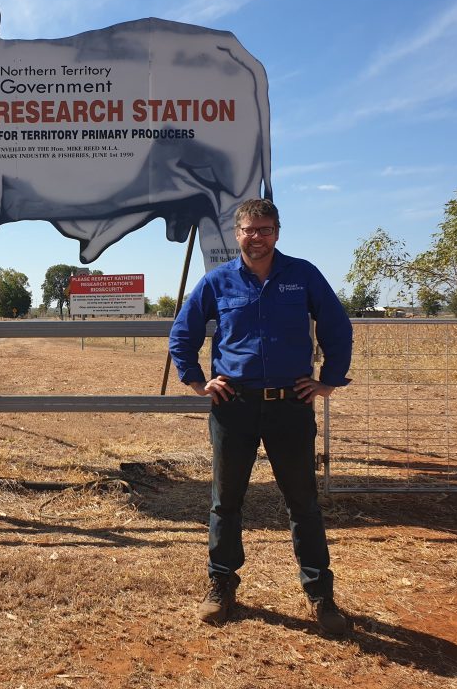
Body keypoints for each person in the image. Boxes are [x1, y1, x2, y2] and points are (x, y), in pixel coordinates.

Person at [168, 198, 352, 635]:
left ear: (277, 232)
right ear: (237, 234)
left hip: (290, 405)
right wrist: (197, 381)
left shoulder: (302, 275)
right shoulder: (218, 282)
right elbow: (182, 334)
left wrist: (329, 380)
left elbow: (337, 325)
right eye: (249, 230)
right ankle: (221, 585)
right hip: (234, 406)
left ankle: (320, 596)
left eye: (265, 229)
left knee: (303, 502)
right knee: (225, 502)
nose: (257, 237)